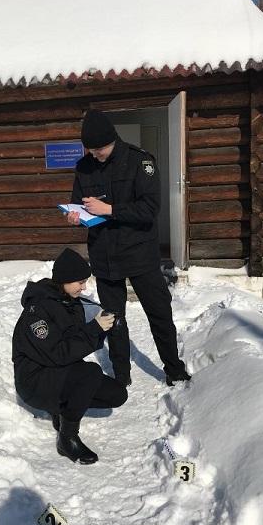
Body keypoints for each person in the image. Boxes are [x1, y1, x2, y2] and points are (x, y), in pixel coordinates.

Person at [67, 109, 191, 388]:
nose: (95, 154)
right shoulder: (84, 167)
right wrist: (75, 215)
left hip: (139, 253)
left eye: (99, 148)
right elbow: (78, 203)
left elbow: (150, 208)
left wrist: (110, 210)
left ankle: (174, 369)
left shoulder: (139, 162)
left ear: (112, 140)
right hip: (104, 254)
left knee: (158, 312)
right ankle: (121, 375)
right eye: (91, 149)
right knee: (114, 319)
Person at [12, 247, 128, 465]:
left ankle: (62, 409)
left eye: (85, 281)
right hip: (35, 381)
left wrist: (103, 327)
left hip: (57, 372)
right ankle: (67, 438)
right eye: (80, 282)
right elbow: (58, 353)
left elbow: (76, 343)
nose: (84, 287)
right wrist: (94, 328)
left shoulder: (70, 302)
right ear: (64, 279)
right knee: (90, 372)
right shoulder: (38, 311)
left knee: (117, 395)